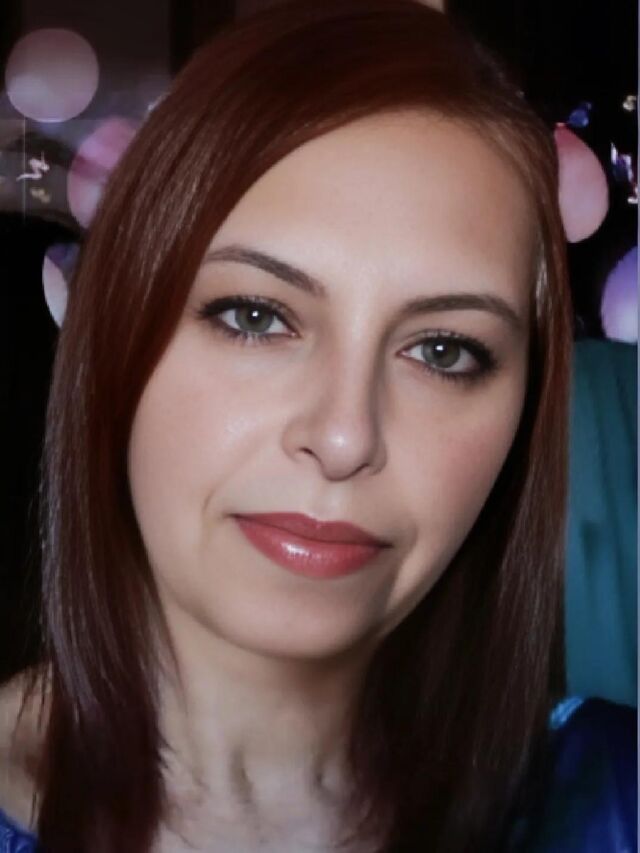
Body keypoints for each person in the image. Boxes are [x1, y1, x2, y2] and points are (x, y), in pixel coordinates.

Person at [0, 1, 634, 851]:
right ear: (116, 342)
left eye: (443, 350)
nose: (344, 438)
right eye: (256, 316)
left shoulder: (613, 802)